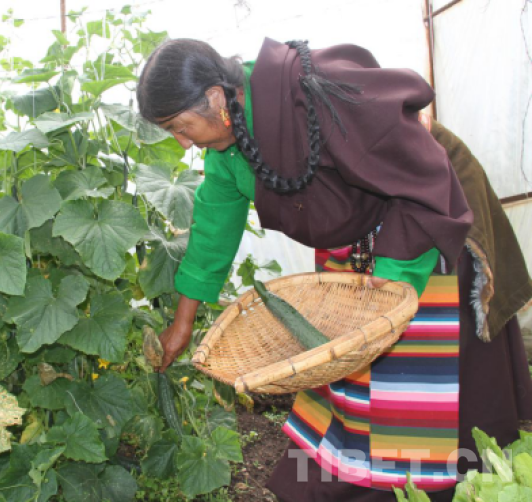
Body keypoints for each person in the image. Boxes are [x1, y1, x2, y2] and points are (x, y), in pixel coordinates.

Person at [137, 37, 532, 501]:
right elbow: (212, 229)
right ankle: (357, 476)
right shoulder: (227, 144)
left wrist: (388, 292)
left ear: (215, 98)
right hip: (361, 232)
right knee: (353, 364)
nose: (182, 142)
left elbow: (418, 180)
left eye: (180, 127)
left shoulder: (318, 91)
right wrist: (183, 323)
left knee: (418, 374)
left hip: (427, 210)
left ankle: (433, 478)